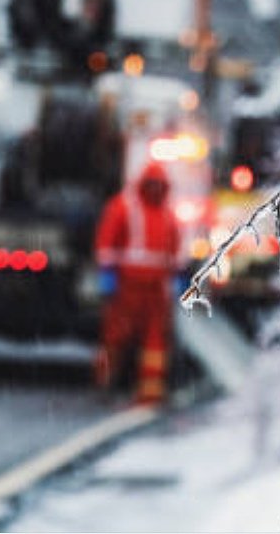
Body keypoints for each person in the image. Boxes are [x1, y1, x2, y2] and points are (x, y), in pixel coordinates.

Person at [94, 160, 185, 404]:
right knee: (116, 337)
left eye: (159, 185)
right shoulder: (123, 207)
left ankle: (150, 391)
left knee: (155, 341)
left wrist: (178, 280)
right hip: (128, 288)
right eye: (152, 184)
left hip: (155, 291)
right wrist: (108, 277)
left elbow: (175, 251)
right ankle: (106, 381)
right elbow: (107, 244)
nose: (155, 189)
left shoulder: (167, 214)